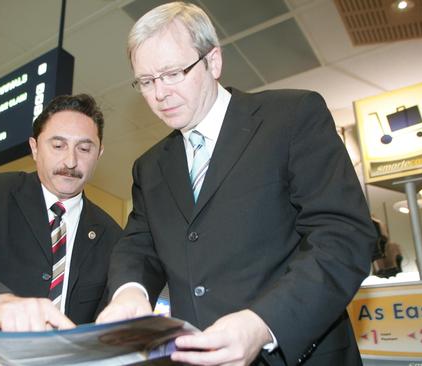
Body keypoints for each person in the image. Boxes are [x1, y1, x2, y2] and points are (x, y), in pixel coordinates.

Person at [96, 3, 377, 366]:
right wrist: (128, 293)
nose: (158, 94)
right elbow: (138, 246)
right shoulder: (150, 167)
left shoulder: (291, 117)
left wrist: (264, 323)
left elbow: (343, 236)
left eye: (172, 73)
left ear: (213, 62)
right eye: (146, 81)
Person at [0, 93, 122, 335]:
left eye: (85, 148)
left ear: (99, 153)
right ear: (35, 148)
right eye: (58, 146)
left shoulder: (112, 235)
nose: (71, 161)